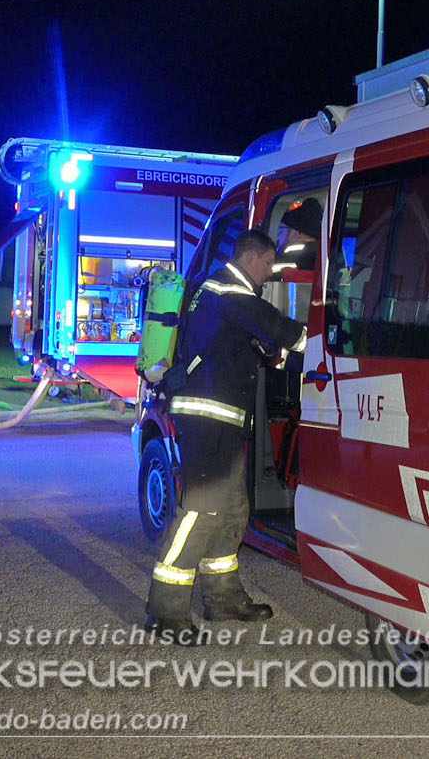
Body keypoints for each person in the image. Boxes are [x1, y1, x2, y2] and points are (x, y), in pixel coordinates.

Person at [146, 229, 308, 644]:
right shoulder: (229, 292)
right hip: (207, 419)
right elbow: (278, 328)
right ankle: (166, 612)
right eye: (269, 264)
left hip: (221, 420)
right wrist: (319, 339)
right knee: (199, 511)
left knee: (233, 508)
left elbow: (255, 345)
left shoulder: (216, 293)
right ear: (253, 258)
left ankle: (222, 599)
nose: (269, 273)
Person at [272, 197, 321, 273]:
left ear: (296, 232)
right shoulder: (325, 251)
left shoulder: (290, 254)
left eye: (282, 229)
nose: (278, 234)